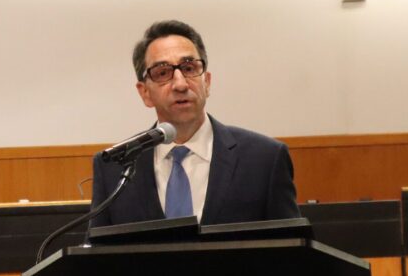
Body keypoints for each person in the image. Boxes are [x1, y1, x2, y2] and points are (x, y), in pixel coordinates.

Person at [89, 20, 300, 228]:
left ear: (207, 82)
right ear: (145, 93)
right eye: (163, 73)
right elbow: (95, 257)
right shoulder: (113, 168)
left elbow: (293, 253)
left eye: (189, 68)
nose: (180, 84)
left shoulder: (264, 159)